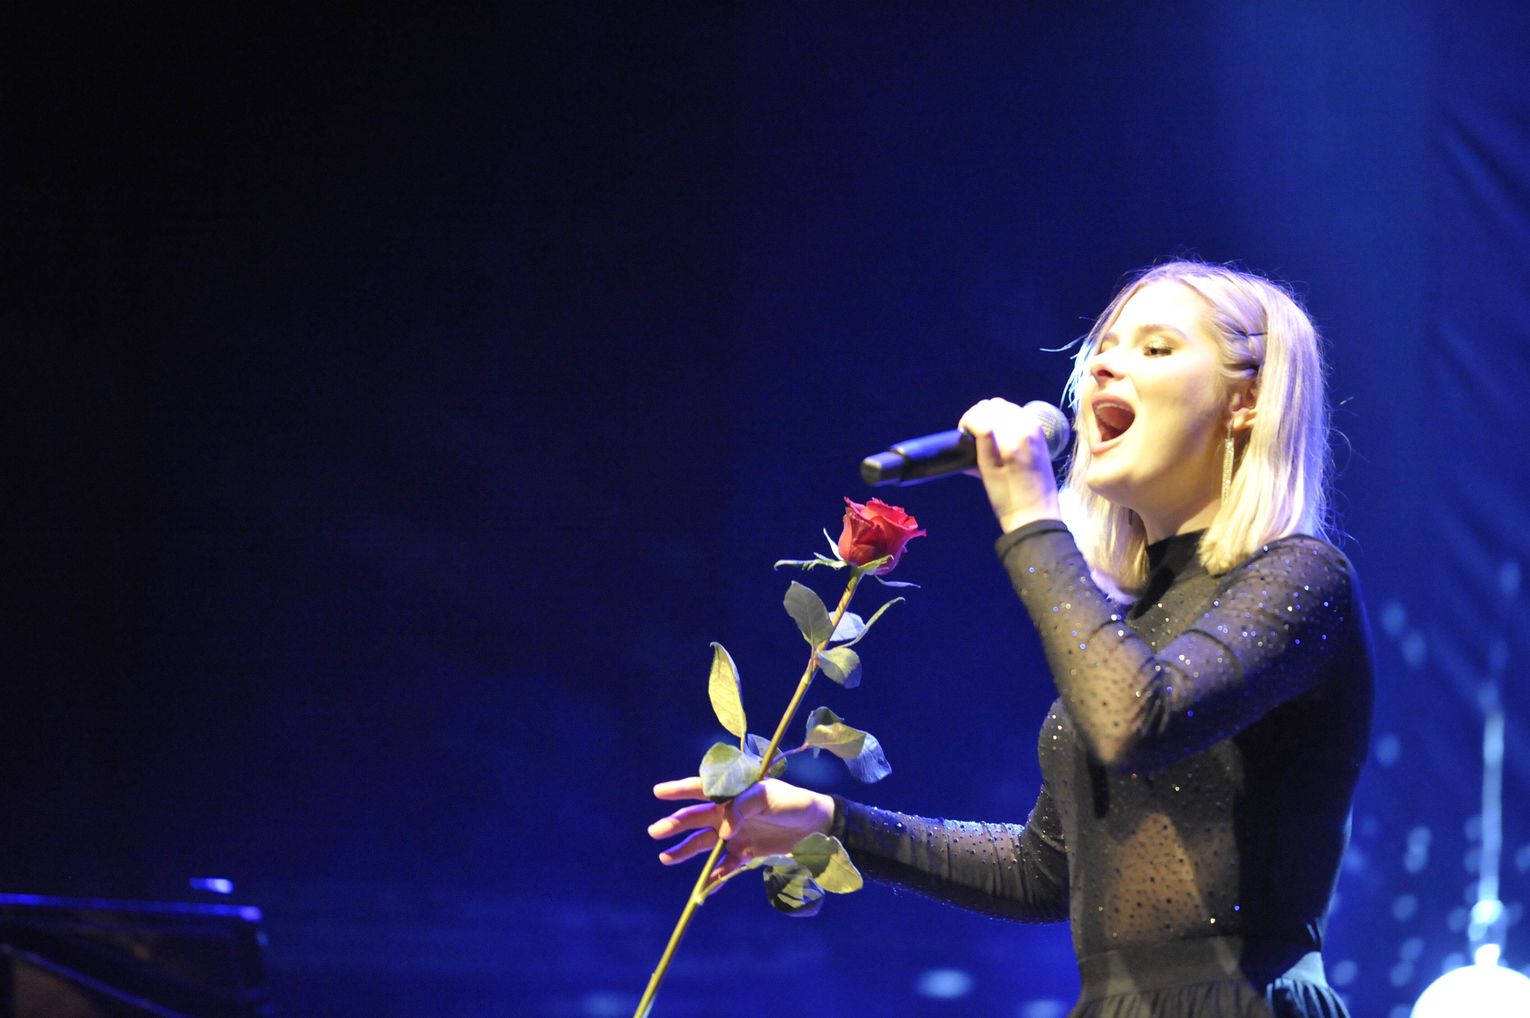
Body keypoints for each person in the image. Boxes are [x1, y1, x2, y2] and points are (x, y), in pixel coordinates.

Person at [648, 261, 1373, 1018]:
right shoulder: (1130, 627)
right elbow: (1044, 872)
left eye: (1156, 348)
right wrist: (832, 821)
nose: (1103, 366)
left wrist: (1030, 515)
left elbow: (1136, 721)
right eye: (1102, 348)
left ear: (1246, 402)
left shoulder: (1301, 578)